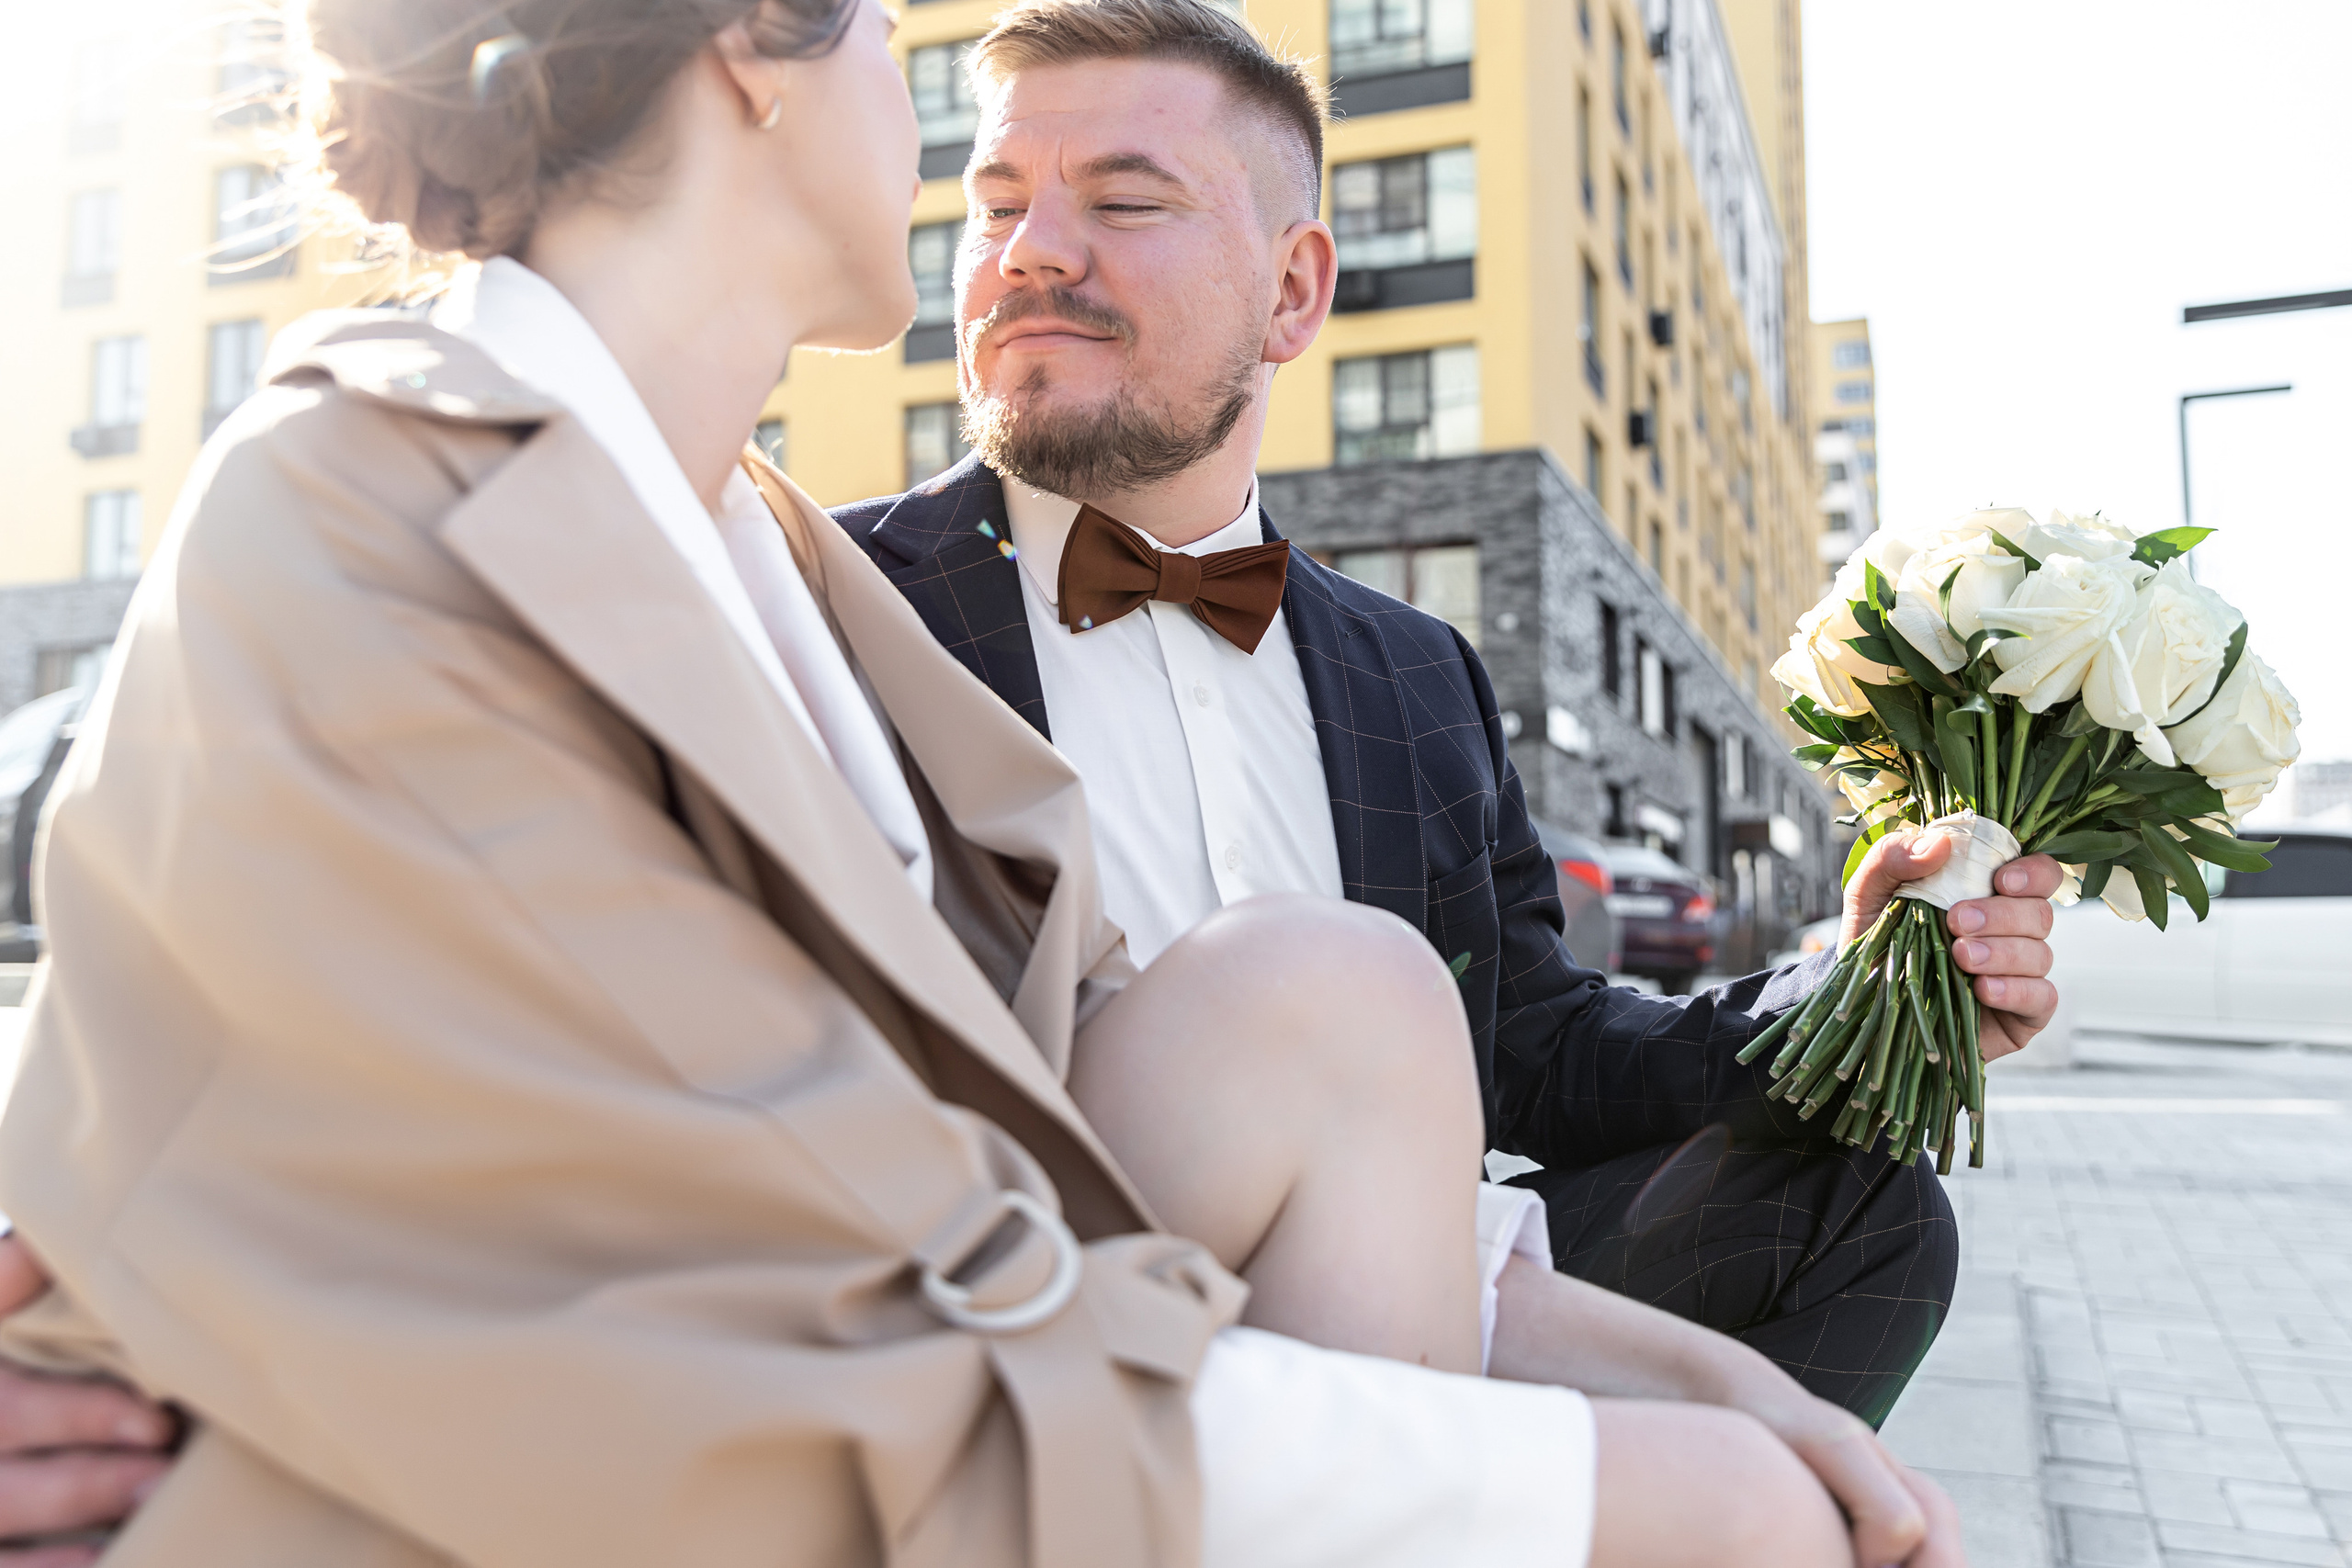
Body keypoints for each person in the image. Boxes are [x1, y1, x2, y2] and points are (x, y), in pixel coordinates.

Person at [0, 1, 1943, 1565]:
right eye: (973, 152)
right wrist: (1622, 1497)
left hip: (961, 1306)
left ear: (1291, 292)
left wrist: (1698, 1380)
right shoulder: (378, 502)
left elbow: (1165, 1103)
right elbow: (709, 1322)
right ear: (757, 43)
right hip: (649, 1434)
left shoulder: (792, 581)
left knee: (1346, 989)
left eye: (1119, 194)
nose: (1005, 229)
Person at [834, 0, 2064, 1427]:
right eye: (995, 205)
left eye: (1122, 198)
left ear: (1294, 292)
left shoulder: (1413, 670)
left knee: (1870, 1213)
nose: (1031, 249)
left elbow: (1534, 1050)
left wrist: (1860, 989)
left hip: (1401, 1313)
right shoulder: (836, 601)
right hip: (1029, 1354)